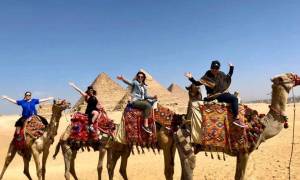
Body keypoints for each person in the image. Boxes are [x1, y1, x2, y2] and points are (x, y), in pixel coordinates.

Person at [185, 60, 247, 128]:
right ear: (211, 68)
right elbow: (197, 83)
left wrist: (231, 67)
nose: (214, 69)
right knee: (234, 99)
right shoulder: (207, 76)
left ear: (219, 69)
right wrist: (190, 78)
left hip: (222, 93)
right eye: (213, 68)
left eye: (216, 68)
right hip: (213, 95)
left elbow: (228, 76)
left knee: (236, 99)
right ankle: (236, 119)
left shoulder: (221, 74)